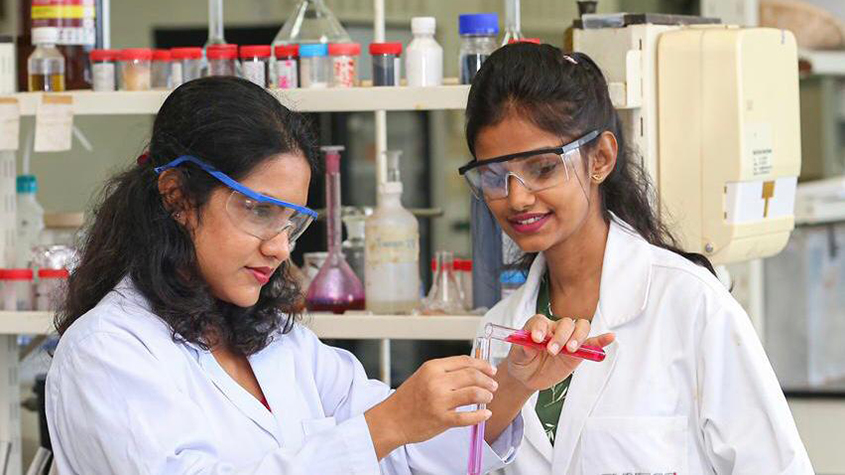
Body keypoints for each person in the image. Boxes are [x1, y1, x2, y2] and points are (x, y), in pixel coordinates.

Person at [45, 76, 614, 474]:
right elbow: (381, 434)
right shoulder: (107, 352)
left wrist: (514, 382)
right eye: (257, 210)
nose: (277, 246)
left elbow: (409, 453)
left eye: (291, 221)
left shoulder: (278, 342)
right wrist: (386, 423)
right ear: (176, 197)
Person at [459, 43, 813, 474]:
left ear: (601, 159)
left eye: (543, 168)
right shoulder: (499, 327)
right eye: (495, 176)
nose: (517, 198)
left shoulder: (688, 303)